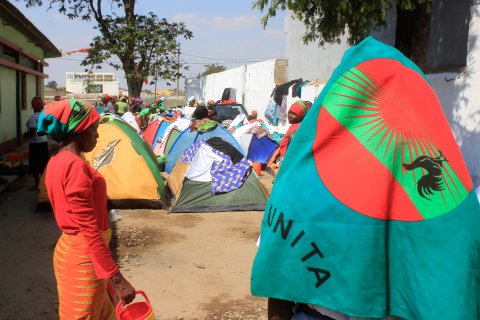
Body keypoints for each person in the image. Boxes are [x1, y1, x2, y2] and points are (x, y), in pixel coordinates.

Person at [37, 98, 136, 319]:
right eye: (94, 129)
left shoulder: (57, 160)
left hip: (77, 251)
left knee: (101, 312)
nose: (97, 135)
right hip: (83, 258)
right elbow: (89, 230)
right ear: (78, 129)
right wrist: (118, 279)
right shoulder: (75, 166)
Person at [23, 97, 49, 190]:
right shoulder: (44, 116)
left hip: (35, 144)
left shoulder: (33, 117)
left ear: (32, 106)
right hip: (44, 142)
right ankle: (43, 184)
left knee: (34, 165)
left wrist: (25, 135)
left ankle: (37, 184)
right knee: (43, 164)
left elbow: (33, 131)